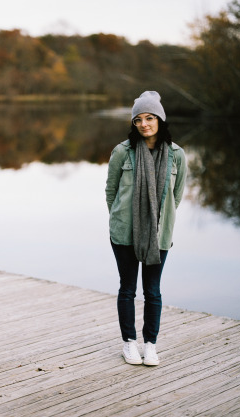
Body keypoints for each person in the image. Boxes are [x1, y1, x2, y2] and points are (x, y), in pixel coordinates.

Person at [105, 91, 187, 366]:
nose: (144, 124)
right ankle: (129, 343)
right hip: (124, 233)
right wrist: (122, 219)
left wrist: (157, 221)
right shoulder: (122, 151)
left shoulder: (177, 155)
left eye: (149, 117)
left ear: (160, 119)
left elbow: (176, 195)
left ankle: (150, 345)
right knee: (127, 289)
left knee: (153, 291)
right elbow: (111, 192)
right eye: (138, 119)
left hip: (159, 234)